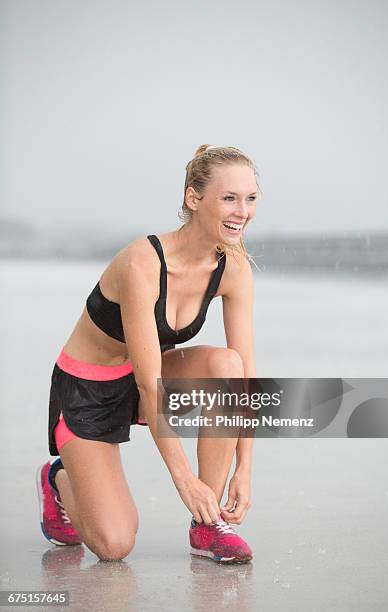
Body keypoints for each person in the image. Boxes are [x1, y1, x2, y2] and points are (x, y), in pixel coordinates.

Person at [36, 144, 261, 564]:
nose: (242, 211)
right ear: (194, 199)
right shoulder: (143, 262)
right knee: (114, 545)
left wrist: (244, 470)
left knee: (228, 366)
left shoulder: (233, 267)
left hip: (149, 378)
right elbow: (147, 382)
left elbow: (244, 374)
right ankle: (58, 479)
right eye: (229, 198)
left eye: (250, 198)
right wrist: (185, 482)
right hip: (90, 387)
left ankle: (206, 525)